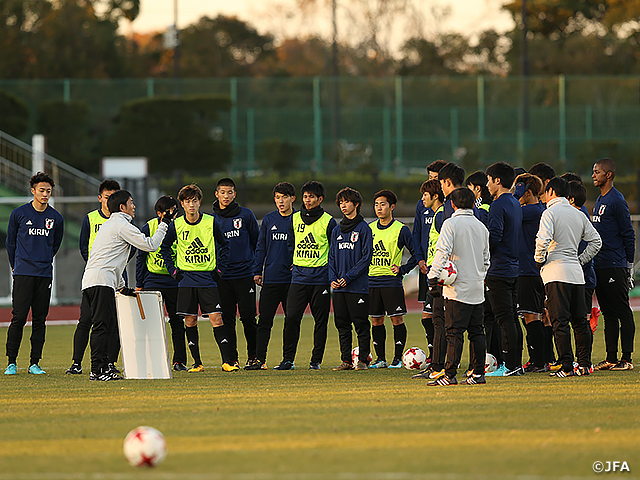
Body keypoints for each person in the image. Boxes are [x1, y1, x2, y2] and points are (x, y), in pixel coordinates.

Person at [82, 190, 173, 381]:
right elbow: (150, 245)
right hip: (101, 281)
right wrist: (164, 223)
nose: (134, 206)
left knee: (105, 325)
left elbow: (111, 259)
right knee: (101, 326)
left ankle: (103, 366)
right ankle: (97, 370)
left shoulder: (112, 225)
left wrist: (122, 287)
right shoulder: (121, 224)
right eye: (131, 203)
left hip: (95, 280)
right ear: (122, 207)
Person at [160, 184, 235, 372]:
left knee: (217, 318)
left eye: (194, 201)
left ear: (199, 202)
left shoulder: (211, 222)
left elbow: (225, 246)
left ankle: (227, 362)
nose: (191, 205)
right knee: (190, 321)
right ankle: (197, 363)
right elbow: (165, 248)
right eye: (187, 202)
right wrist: (173, 271)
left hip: (208, 279)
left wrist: (220, 270)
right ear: (182, 205)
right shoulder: (176, 225)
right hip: (186, 280)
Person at [534, 177, 601, 377]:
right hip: (576, 275)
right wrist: (580, 260)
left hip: (556, 273)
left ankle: (566, 366)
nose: (544, 195)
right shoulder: (578, 213)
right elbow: (596, 241)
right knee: (580, 322)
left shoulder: (549, 212)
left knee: (559, 321)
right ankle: (584, 365)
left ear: (552, 191)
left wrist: (539, 260)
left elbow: (543, 239)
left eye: (546, 191)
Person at [427, 188, 490, 386]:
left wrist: (432, 277)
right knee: (477, 332)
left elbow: (442, 252)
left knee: (453, 333)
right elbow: (487, 260)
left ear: (452, 205)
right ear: (473, 204)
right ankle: (478, 374)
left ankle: (450, 375)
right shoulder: (482, 227)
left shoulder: (450, 224)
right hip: (477, 288)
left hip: (456, 289)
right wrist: (479, 276)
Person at [5, 172, 64, 376]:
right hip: (22, 272)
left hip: (44, 274)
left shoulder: (56, 217)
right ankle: (11, 362)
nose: (45, 194)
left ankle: (34, 363)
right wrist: (16, 265)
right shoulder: (19, 214)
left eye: (48, 191)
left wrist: (44, 259)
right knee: (19, 317)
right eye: (41, 190)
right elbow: (10, 243)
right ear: (33, 191)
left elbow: (55, 244)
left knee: (40, 319)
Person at [274, 181, 337, 370]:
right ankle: (288, 360)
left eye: (311, 197)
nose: (307, 200)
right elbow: (291, 243)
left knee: (321, 322)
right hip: (299, 278)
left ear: (320, 199)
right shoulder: (294, 219)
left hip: (320, 280)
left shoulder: (329, 221)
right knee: (291, 318)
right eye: (305, 196)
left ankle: (315, 361)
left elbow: (333, 251)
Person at [66, 179, 121, 375]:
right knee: (86, 320)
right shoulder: (90, 219)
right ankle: (76, 363)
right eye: (107, 198)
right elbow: (83, 246)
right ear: (100, 199)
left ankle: (109, 363)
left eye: (114, 197)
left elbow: (130, 248)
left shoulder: (122, 221)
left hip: (116, 277)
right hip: (97, 277)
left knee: (114, 322)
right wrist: (97, 264)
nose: (110, 201)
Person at [591, 158, 636, 371]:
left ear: (608, 175)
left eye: (597, 172)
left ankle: (626, 358)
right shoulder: (600, 200)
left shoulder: (616, 200)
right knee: (608, 312)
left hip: (614, 264)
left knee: (622, 310)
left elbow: (628, 233)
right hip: (600, 263)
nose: (593, 175)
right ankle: (610, 357)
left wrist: (628, 265)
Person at [135, 195, 188, 371]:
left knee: (177, 323)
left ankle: (179, 361)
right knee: (152, 324)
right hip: (153, 280)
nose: (173, 215)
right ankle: (152, 360)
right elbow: (141, 257)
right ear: (159, 213)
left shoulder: (181, 226)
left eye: (175, 211)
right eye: (169, 211)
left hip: (174, 281)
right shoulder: (149, 227)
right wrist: (139, 282)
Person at [212, 178, 260, 368]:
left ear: (235, 194)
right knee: (227, 318)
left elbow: (257, 243)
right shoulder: (211, 219)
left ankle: (254, 357)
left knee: (248, 317)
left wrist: (256, 268)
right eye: (222, 192)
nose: (226, 196)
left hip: (245, 274)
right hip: (223, 277)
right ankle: (232, 358)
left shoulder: (246, 215)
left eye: (230, 192)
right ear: (216, 194)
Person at [368, 189, 417, 369]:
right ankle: (380, 359)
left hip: (391, 282)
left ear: (392, 207)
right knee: (376, 320)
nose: (379, 208)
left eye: (383, 204)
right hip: (372, 282)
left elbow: (415, 254)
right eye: (376, 205)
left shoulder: (401, 229)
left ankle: (397, 359)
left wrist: (402, 269)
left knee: (396, 319)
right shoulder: (369, 228)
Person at [250, 182, 296, 370]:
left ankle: (288, 360)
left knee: (291, 321)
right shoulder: (269, 219)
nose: (280, 201)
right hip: (271, 278)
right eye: (277, 198)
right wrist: (256, 270)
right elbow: (261, 246)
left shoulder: (299, 219)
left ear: (292, 198)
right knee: (264, 321)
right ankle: (259, 360)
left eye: (284, 197)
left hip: (293, 280)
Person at [484, 162, 524, 377]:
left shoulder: (498, 204)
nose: (487, 185)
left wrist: (481, 255)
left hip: (499, 268)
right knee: (511, 317)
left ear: (497, 181)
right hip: (513, 268)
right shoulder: (515, 203)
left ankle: (509, 365)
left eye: (489, 180)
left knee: (503, 318)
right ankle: (515, 364)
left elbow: (495, 236)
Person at [329, 187, 373, 371]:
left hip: (357, 287)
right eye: (341, 203)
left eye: (347, 202)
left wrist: (347, 278)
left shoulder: (364, 229)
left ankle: (362, 360)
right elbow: (331, 257)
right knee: (342, 324)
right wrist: (332, 278)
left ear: (356, 204)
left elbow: (366, 258)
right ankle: (346, 360)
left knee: (361, 324)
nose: (343, 206)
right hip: (339, 287)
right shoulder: (336, 230)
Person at [513, 173, 548, 373]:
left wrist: (515, 198)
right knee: (534, 314)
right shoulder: (537, 209)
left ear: (527, 192)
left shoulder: (532, 211)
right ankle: (539, 359)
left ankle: (538, 361)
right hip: (531, 269)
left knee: (530, 315)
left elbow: (511, 212)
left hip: (527, 269)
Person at [413, 179, 443, 362]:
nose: (422, 199)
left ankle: (438, 359)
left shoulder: (441, 216)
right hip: (431, 270)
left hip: (438, 274)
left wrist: (436, 268)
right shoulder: (435, 214)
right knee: (429, 318)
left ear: (435, 196)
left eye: (425, 195)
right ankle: (435, 357)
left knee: (436, 318)